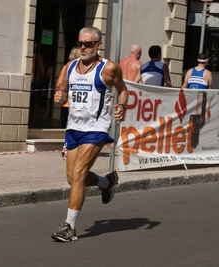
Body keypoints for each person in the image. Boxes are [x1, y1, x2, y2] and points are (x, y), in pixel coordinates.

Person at [52, 26, 129, 242]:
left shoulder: (108, 69)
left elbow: (123, 90)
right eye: (80, 43)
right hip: (73, 128)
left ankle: (69, 227)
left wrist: (121, 106)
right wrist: (60, 97)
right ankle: (106, 182)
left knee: (78, 174)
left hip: (96, 128)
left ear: (98, 45)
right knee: (73, 178)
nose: (83, 47)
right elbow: (61, 90)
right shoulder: (69, 67)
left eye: (88, 44)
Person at [57, 46, 81, 160]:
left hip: (72, 100)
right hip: (72, 100)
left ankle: (69, 147)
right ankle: (67, 148)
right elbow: (61, 83)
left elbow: (59, 83)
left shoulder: (67, 66)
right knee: (72, 124)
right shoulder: (73, 67)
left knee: (71, 124)